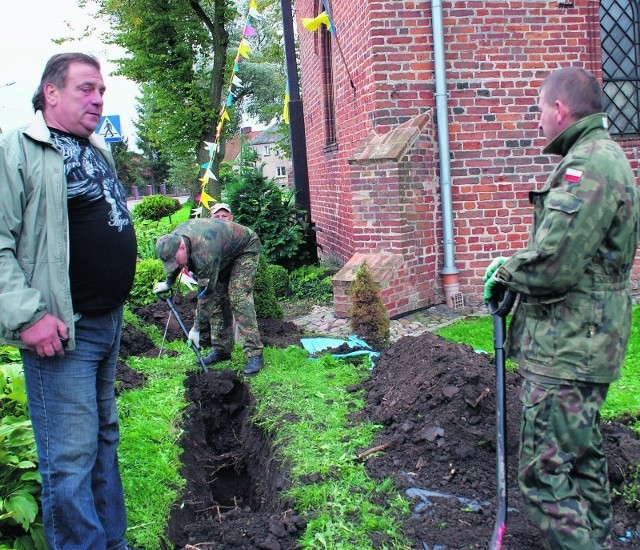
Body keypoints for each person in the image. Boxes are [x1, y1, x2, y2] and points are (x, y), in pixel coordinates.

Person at [483, 66, 639, 549]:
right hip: (586, 342)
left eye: (539, 111)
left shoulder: (589, 164)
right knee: (583, 458)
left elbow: (555, 265)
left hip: (570, 347)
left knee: (542, 474)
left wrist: (505, 271)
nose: (538, 122)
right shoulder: (600, 156)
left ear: (559, 110)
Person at [0, 53, 138, 549]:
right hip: (62, 331)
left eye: (101, 90)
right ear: (50, 93)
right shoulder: (18, 148)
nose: (98, 99)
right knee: (69, 459)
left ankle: (113, 543)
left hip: (107, 322)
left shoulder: (96, 148)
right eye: (85, 88)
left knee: (103, 445)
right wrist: (29, 317)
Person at [153, 218, 264, 375]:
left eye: (176, 261)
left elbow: (206, 294)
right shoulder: (174, 240)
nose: (176, 266)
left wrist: (196, 329)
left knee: (238, 298)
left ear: (182, 247)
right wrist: (168, 283)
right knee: (219, 301)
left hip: (244, 249)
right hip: (223, 251)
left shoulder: (203, 251)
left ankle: (255, 354)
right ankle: (221, 350)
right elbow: (176, 264)